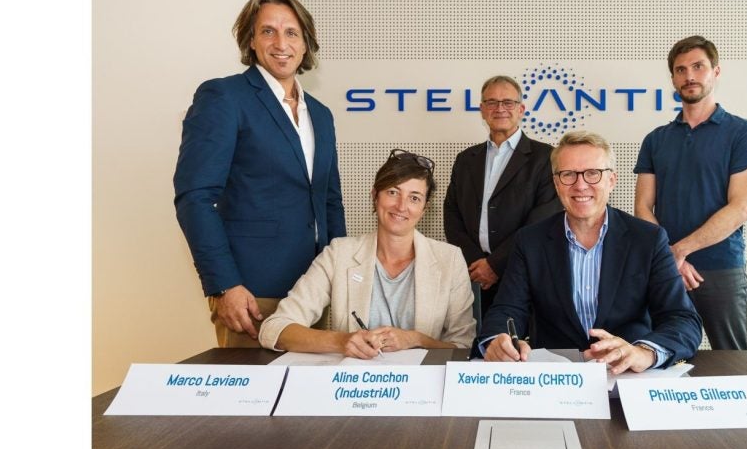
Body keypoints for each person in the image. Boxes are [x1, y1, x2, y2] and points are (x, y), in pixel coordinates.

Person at [174, 0, 346, 347]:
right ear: (251, 40)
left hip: (314, 290)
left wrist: (339, 276)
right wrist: (225, 285)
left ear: (305, 44)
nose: (281, 43)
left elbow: (330, 202)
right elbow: (195, 197)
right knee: (250, 385)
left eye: (291, 32)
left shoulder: (321, 114)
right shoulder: (224, 97)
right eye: (268, 31)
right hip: (252, 294)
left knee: (309, 386)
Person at [478, 132, 702, 374]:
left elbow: (682, 319)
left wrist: (644, 353)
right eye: (568, 174)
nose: (580, 185)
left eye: (593, 173)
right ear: (556, 183)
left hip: (627, 375)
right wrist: (497, 341)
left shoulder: (648, 239)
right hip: (555, 376)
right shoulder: (529, 240)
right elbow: (507, 310)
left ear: (612, 180)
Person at [259, 150, 476, 356]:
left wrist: (416, 340)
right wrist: (341, 342)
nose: (401, 206)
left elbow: (464, 346)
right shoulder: (339, 254)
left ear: (424, 208)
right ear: (375, 196)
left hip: (422, 382)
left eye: (414, 198)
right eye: (393, 192)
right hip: (353, 380)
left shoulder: (450, 259)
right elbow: (274, 328)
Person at [633, 35, 747, 350]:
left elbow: (741, 207)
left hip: (721, 269)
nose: (689, 76)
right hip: (665, 271)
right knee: (660, 355)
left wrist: (678, 252)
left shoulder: (743, 133)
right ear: (673, 79)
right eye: (680, 70)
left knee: (733, 361)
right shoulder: (656, 139)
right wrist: (671, 261)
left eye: (698, 67)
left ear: (715, 72)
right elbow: (642, 208)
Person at [443, 75, 560, 316]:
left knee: (516, 338)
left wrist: (495, 264)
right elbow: (452, 215)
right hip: (472, 276)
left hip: (521, 274)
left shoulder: (545, 158)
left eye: (508, 102)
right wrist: (477, 264)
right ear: (482, 109)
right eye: (492, 102)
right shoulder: (465, 160)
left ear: (521, 109)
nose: (500, 109)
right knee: (472, 337)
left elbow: (541, 221)